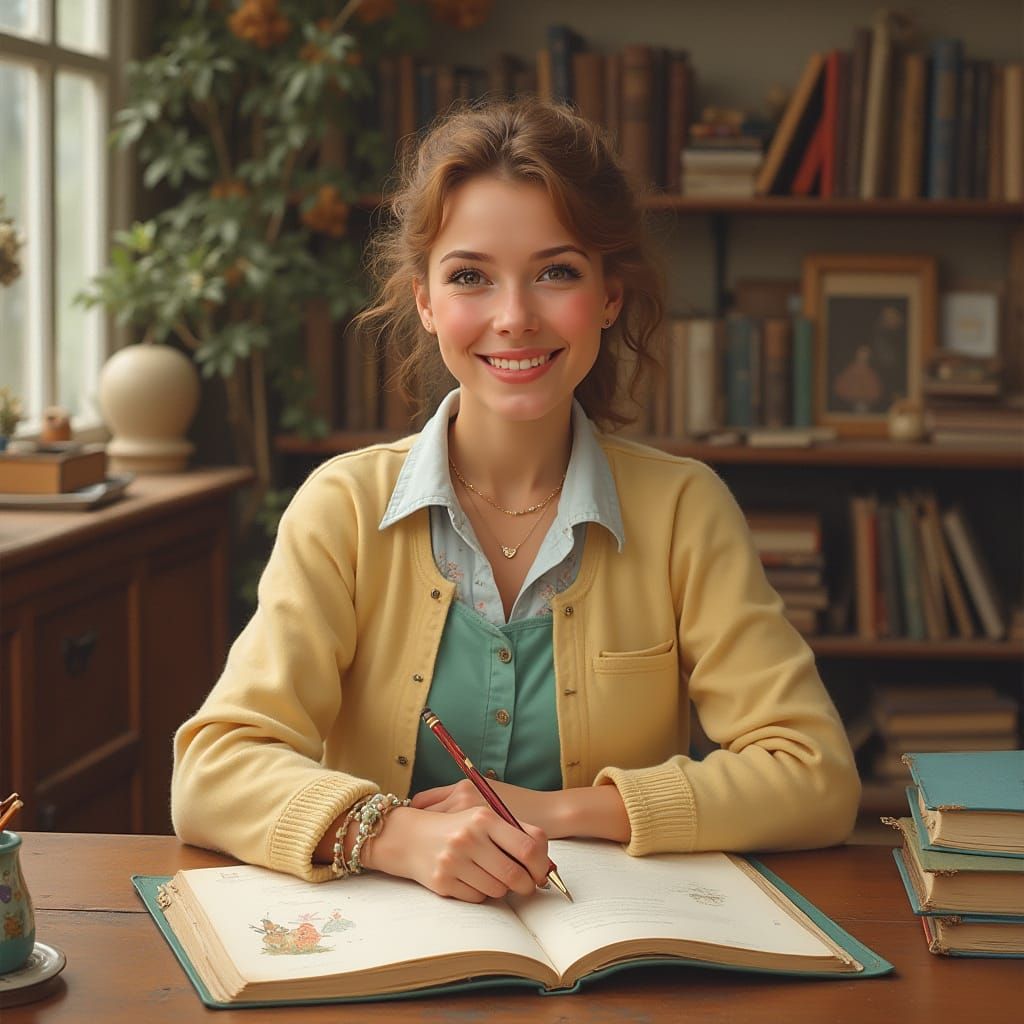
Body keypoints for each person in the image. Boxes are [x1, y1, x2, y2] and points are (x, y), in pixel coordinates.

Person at [172, 97, 860, 904]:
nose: (514, 318)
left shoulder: (684, 510)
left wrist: (564, 810)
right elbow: (213, 772)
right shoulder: (344, 508)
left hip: (613, 965)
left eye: (556, 272)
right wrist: (395, 835)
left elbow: (815, 777)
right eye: (470, 277)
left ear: (608, 295)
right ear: (426, 302)